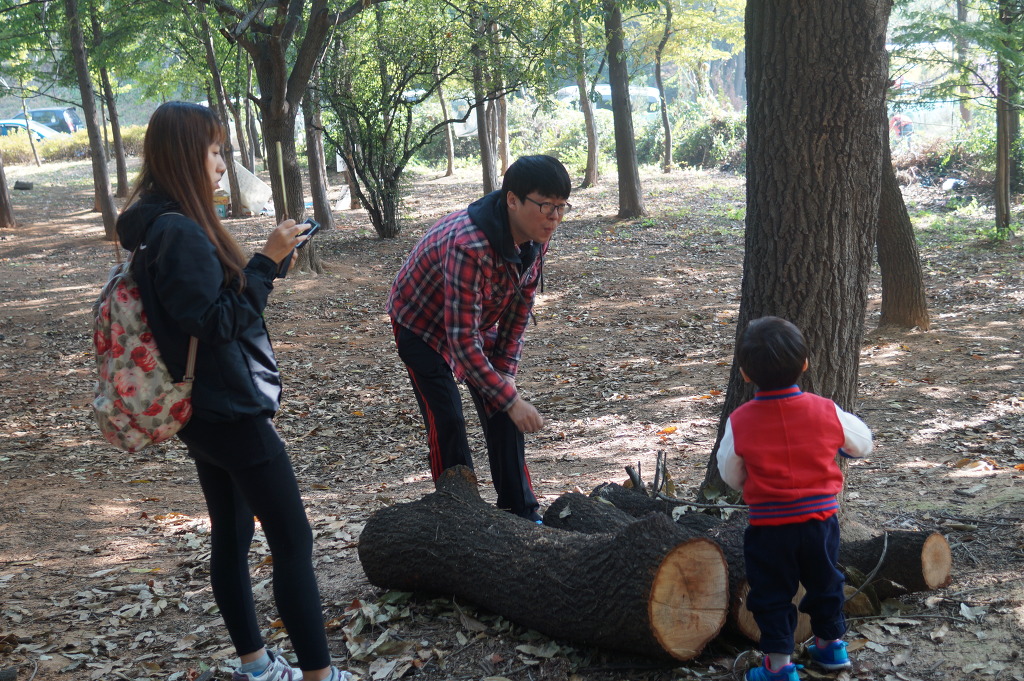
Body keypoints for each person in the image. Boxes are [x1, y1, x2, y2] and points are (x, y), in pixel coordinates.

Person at [116, 102, 349, 681]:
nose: (222, 164)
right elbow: (216, 322)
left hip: (201, 408)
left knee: (234, 532)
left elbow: (204, 306)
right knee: (293, 538)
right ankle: (318, 675)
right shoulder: (178, 230)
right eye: (215, 151)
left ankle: (257, 664)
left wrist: (267, 265)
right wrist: (265, 263)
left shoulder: (156, 225)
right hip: (230, 410)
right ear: (185, 155)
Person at [386, 155, 572, 522]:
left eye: (561, 207)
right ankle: (460, 514)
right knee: (448, 420)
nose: (555, 217)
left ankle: (520, 512)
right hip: (420, 323)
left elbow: (520, 310)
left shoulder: (536, 237)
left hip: (471, 319)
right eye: (546, 205)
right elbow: (461, 344)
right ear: (513, 200)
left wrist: (506, 381)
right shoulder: (469, 244)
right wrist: (511, 399)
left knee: (503, 408)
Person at [716, 317, 873, 681]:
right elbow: (862, 444)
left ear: (744, 372)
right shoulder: (826, 409)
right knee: (825, 580)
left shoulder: (740, 421)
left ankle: (779, 667)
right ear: (804, 364)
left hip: (770, 526)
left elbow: (730, 474)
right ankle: (831, 645)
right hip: (821, 522)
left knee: (771, 592)